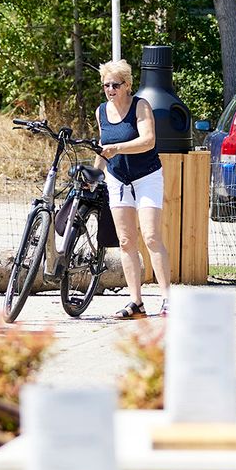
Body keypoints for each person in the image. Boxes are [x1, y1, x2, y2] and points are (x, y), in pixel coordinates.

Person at [94, 57, 171, 319]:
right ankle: (135, 301)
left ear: (127, 85)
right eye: (106, 85)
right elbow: (104, 146)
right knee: (126, 241)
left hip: (147, 175)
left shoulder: (141, 106)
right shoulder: (101, 111)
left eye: (115, 84)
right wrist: (95, 174)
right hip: (118, 177)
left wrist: (118, 148)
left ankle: (167, 298)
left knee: (150, 236)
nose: (110, 90)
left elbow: (148, 141)